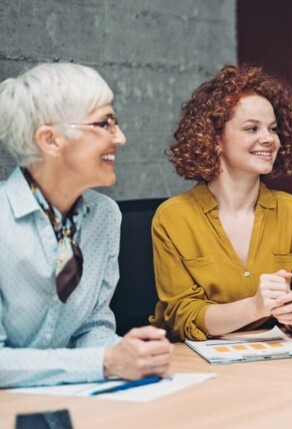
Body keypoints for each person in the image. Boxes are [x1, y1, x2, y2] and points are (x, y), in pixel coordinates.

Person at [0, 63, 172, 387]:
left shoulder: (105, 216)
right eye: (104, 123)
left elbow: (93, 327)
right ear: (50, 140)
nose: (120, 137)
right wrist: (106, 361)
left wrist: (128, 354)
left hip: (74, 402)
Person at [151, 64, 292, 341]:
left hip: (282, 360)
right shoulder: (173, 217)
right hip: (198, 363)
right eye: (251, 128)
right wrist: (254, 307)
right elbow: (183, 314)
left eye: (273, 128)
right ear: (215, 138)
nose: (268, 139)